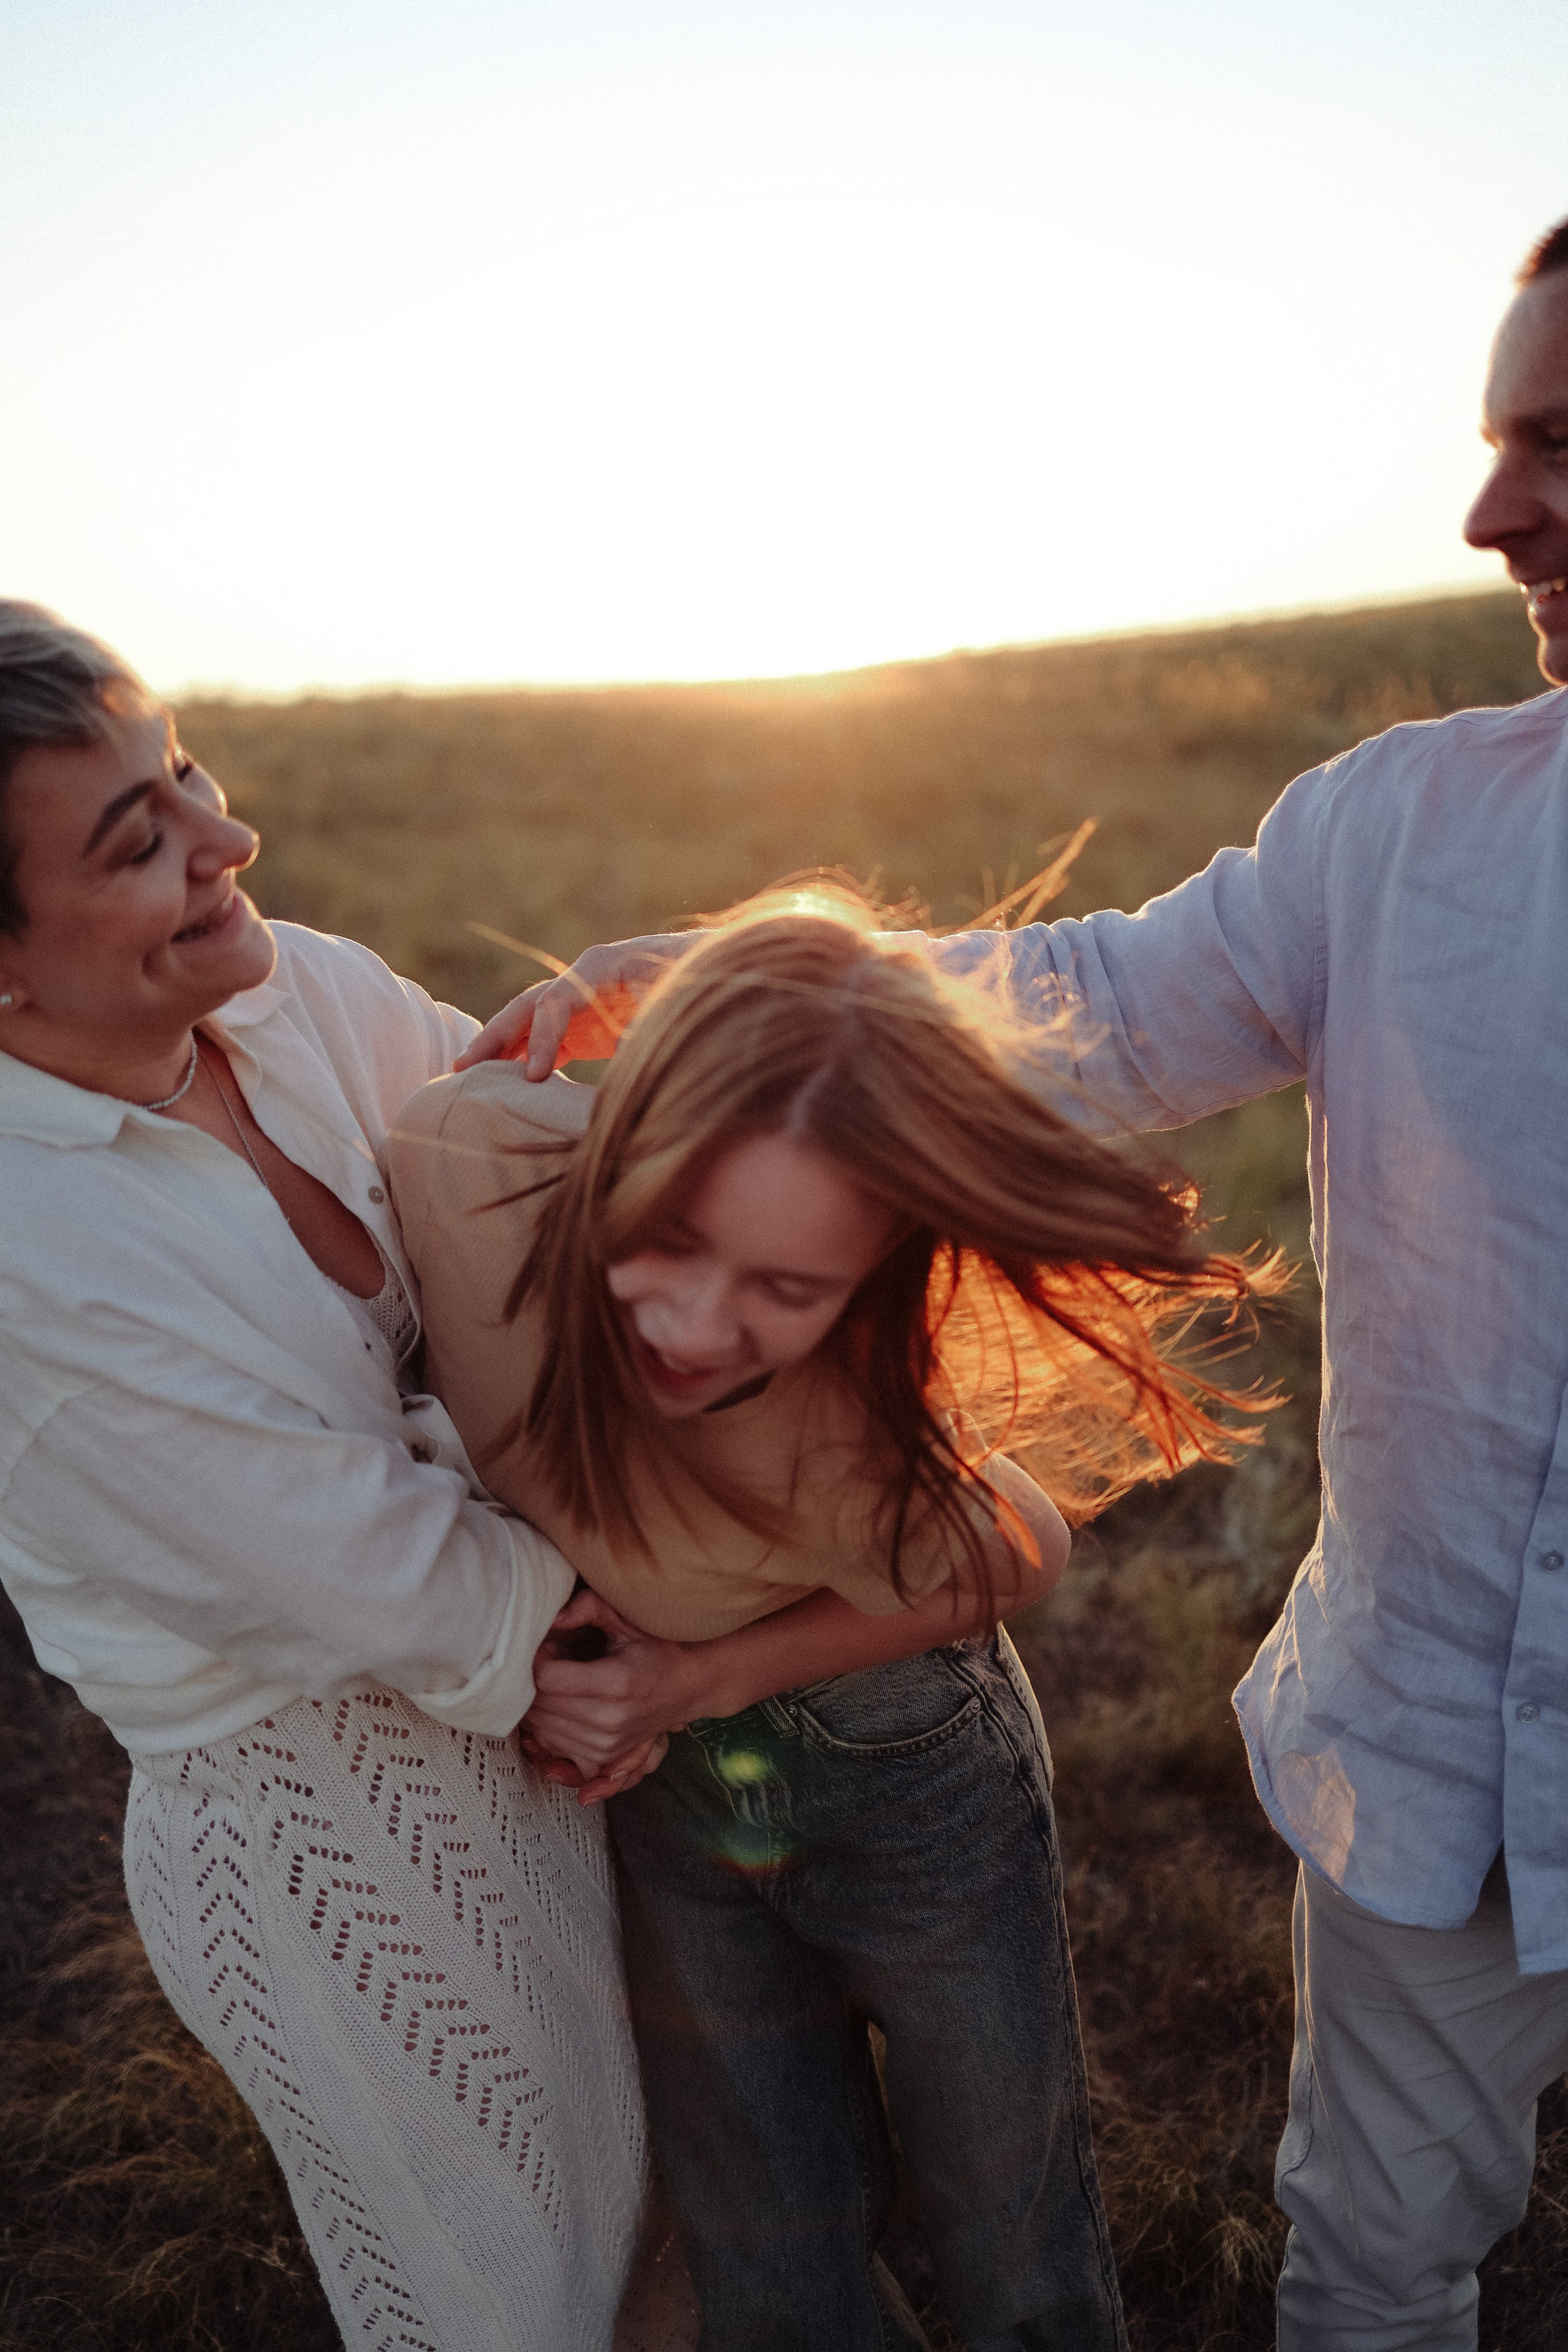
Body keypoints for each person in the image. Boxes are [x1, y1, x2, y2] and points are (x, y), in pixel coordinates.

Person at [463, 217, 1568, 2351]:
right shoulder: (1398, 835)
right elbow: (1087, 1004)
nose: (1487, 509)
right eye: (1502, 436)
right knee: (1375, 2270)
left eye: (1562, 440)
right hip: (1436, 1777)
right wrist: (713, 995)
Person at [387, 895, 1278, 2352]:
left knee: (1003, 2210)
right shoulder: (463, 1160)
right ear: (632, 1132)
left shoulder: (855, 1431)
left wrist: (692, 1677)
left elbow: (1019, 1550)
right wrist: (650, 980)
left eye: (786, 1289)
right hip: (679, 1798)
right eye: (670, 1234)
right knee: (763, 2228)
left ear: (861, 1282)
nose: (693, 1322)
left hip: (905, 1758)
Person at [0, 602, 686, 2352]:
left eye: (189, 775)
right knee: (516, 2301)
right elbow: (360, 1567)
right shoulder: (26, 1252)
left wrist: (619, 1063)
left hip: (581, 1695)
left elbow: (514, 1201)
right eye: (138, 841)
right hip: (331, 1829)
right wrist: (695, 1620)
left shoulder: (296, 986)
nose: (227, 843)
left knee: (698, 2234)